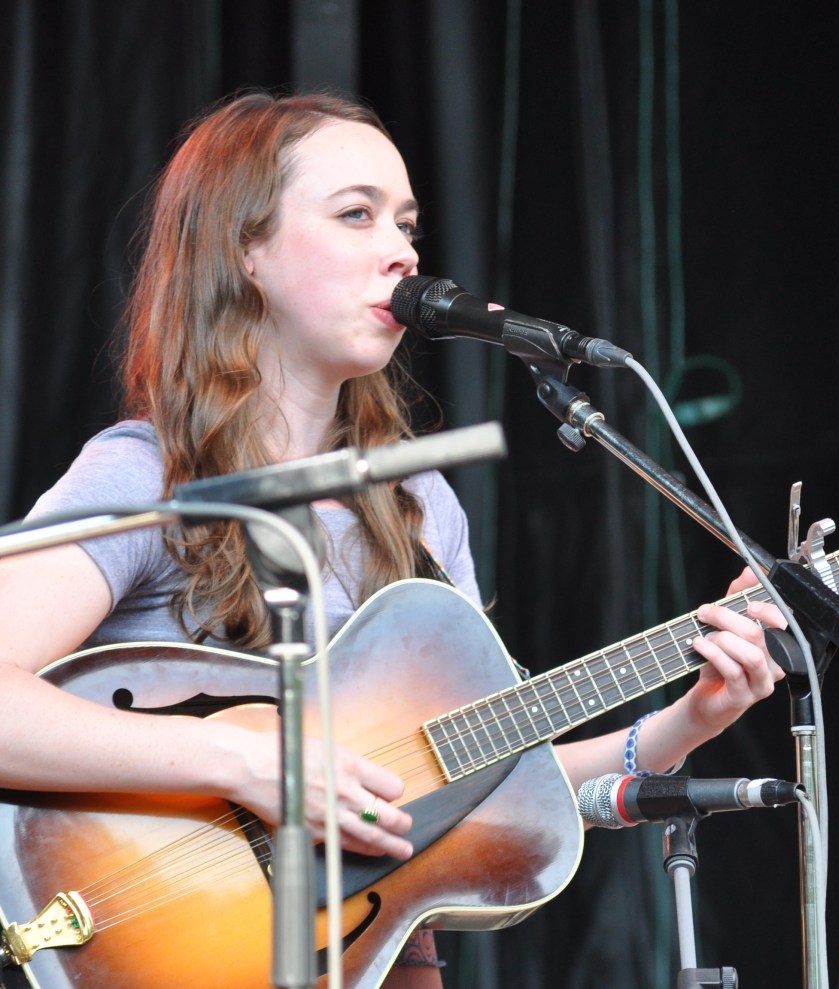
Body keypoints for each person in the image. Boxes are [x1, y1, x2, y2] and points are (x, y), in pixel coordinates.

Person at [0, 90, 784, 988]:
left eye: (407, 222)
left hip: (381, 958)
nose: (402, 249)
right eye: (356, 214)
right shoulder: (147, 477)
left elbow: (480, 781)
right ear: (244, 251)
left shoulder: (418, 504)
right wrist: (249, 760)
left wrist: (693, 717)